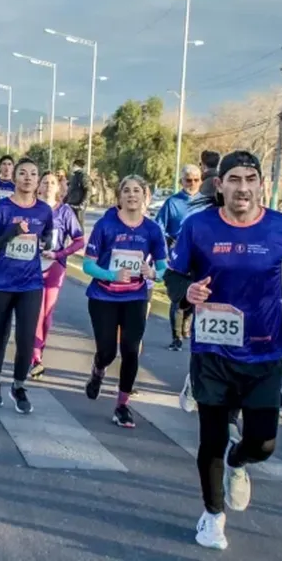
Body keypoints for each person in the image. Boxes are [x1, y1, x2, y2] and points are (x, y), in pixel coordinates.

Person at [164, 150, 282, 551]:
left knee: (263, 443)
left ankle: (238, 461)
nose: (242, 187)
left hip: (264, 350)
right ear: (220, 184)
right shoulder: (199, 226)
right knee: (210, 438)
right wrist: (187, 293)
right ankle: (212, 517)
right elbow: (174, 274)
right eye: (234, 179)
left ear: (261, 184)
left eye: (250, 179)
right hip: (213, 349)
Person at [82, 175, 167, 429]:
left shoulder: (152, 230)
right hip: (103, 297)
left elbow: (163, 269)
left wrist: (153, 274)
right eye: (126, 191)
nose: (132, 195)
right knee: (107, 351)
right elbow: (88, 264)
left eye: (137, 191)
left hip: (136, 297)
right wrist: (111, 275)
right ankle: (98, 370)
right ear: (119, 197)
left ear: (145, 196)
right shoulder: (105, 226)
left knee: (131, 349)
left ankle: (122, 405)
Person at [0, 158, 53, 413]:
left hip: (30, 283)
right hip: (0, 282)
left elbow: (47, 236)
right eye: (22, 173)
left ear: (37, 181)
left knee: (25, 339)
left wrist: (45, 246)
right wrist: (11, 232)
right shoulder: (1, 208)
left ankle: (19, 386)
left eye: (33, 174)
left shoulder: (44, 210)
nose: (27, 178)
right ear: (15, 178)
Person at [31, 170, 85, 377]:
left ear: (59, 187)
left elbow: (79, 240)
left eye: (52, 182)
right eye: (44, 182)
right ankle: (36, 357)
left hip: (55, 267)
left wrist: (59, 254)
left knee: (47, 314)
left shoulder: (65, 212)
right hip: (32, 266)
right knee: (36, 311)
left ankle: (40, 348)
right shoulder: (31, 208)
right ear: (39, 186)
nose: (48, 186)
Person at [155, 164, 205, 350]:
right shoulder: (172, 202)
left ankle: (186, 327)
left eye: (196, 180)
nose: (192, 183)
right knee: (178, 297)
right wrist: (165, 250)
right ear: (181, 181)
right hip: (178, 254)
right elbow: (159, 227)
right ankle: (176, 337)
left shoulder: (207, 203)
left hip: (201, 256)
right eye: (188, 180)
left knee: (196, 294)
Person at [65, 158, 90, 228]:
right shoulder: (74, 176)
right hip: (71, 204)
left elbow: (88, 190)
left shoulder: (83, 176)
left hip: (78, 206)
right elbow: (70, 191)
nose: (72, 167)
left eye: (73, 165)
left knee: (78, 226)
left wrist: (83, 204)